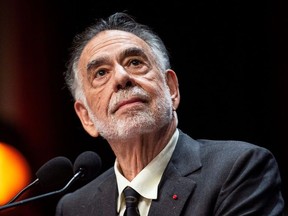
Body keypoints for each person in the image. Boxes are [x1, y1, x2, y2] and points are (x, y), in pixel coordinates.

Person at [55, 12, 285, 216]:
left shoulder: (237, 170)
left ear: (172, 89)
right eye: (101, 73)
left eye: (135, 62)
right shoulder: (74, 207)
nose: (121, 78)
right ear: (86, 117)